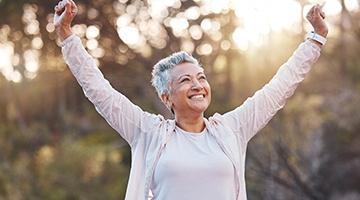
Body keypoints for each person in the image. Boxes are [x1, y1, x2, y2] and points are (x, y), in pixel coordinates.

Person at [54, 0, 328, 199]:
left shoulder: (232, 129)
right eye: (185, 80)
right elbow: (99, 90)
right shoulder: (147, 132)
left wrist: (316, 39)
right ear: (166, 97)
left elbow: (279, 87)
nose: (197, 85)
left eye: (201, 77)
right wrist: (67, 35)